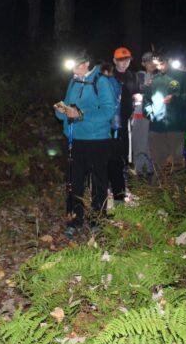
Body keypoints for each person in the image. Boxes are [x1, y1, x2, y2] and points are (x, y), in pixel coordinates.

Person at [54, 52, 115, 237]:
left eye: (76, 64)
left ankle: (97, 220)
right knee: (74, 181)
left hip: (97, 140)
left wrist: (81, 114)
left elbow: (108, 111)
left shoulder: (101, 81)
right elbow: (67, 109)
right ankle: (74, 219)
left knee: (98, 181)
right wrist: (61, 111)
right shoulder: (73, 81)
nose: (72, 68)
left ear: (87, 63)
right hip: (75, 138)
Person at [143, 53, 186, 172]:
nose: (159, 67)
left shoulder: (184, 78)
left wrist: (176, 99)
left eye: (162, 64)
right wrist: (149, 113)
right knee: (158, 162)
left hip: (176, 127)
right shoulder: (154, 80)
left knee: (176, 163)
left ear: (168, 61)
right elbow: (146, 101)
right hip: (156, 128)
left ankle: (175, 189)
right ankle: (159, 188)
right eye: (157, 65)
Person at [108, 47, 138, 205]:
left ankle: (124, 185)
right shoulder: (110, 76)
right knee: (112, 155)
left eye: (127, 60)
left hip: (127, 120)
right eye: (121, 60)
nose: (124, 63)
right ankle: (110, 188)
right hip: (111, 122)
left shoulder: (132, 76)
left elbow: (135, 93)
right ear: (115, 61)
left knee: (125, 153)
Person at [131, 52, 156, 179]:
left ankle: (153, 174)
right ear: (143, 63)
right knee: (140, 145)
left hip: (157, 117)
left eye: (153, 60)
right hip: (140, 116)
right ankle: (140, 175)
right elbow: (134, 91)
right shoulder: (139, 76)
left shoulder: (163, 76)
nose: (151, 63)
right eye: (148, 61)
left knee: (154, 146)